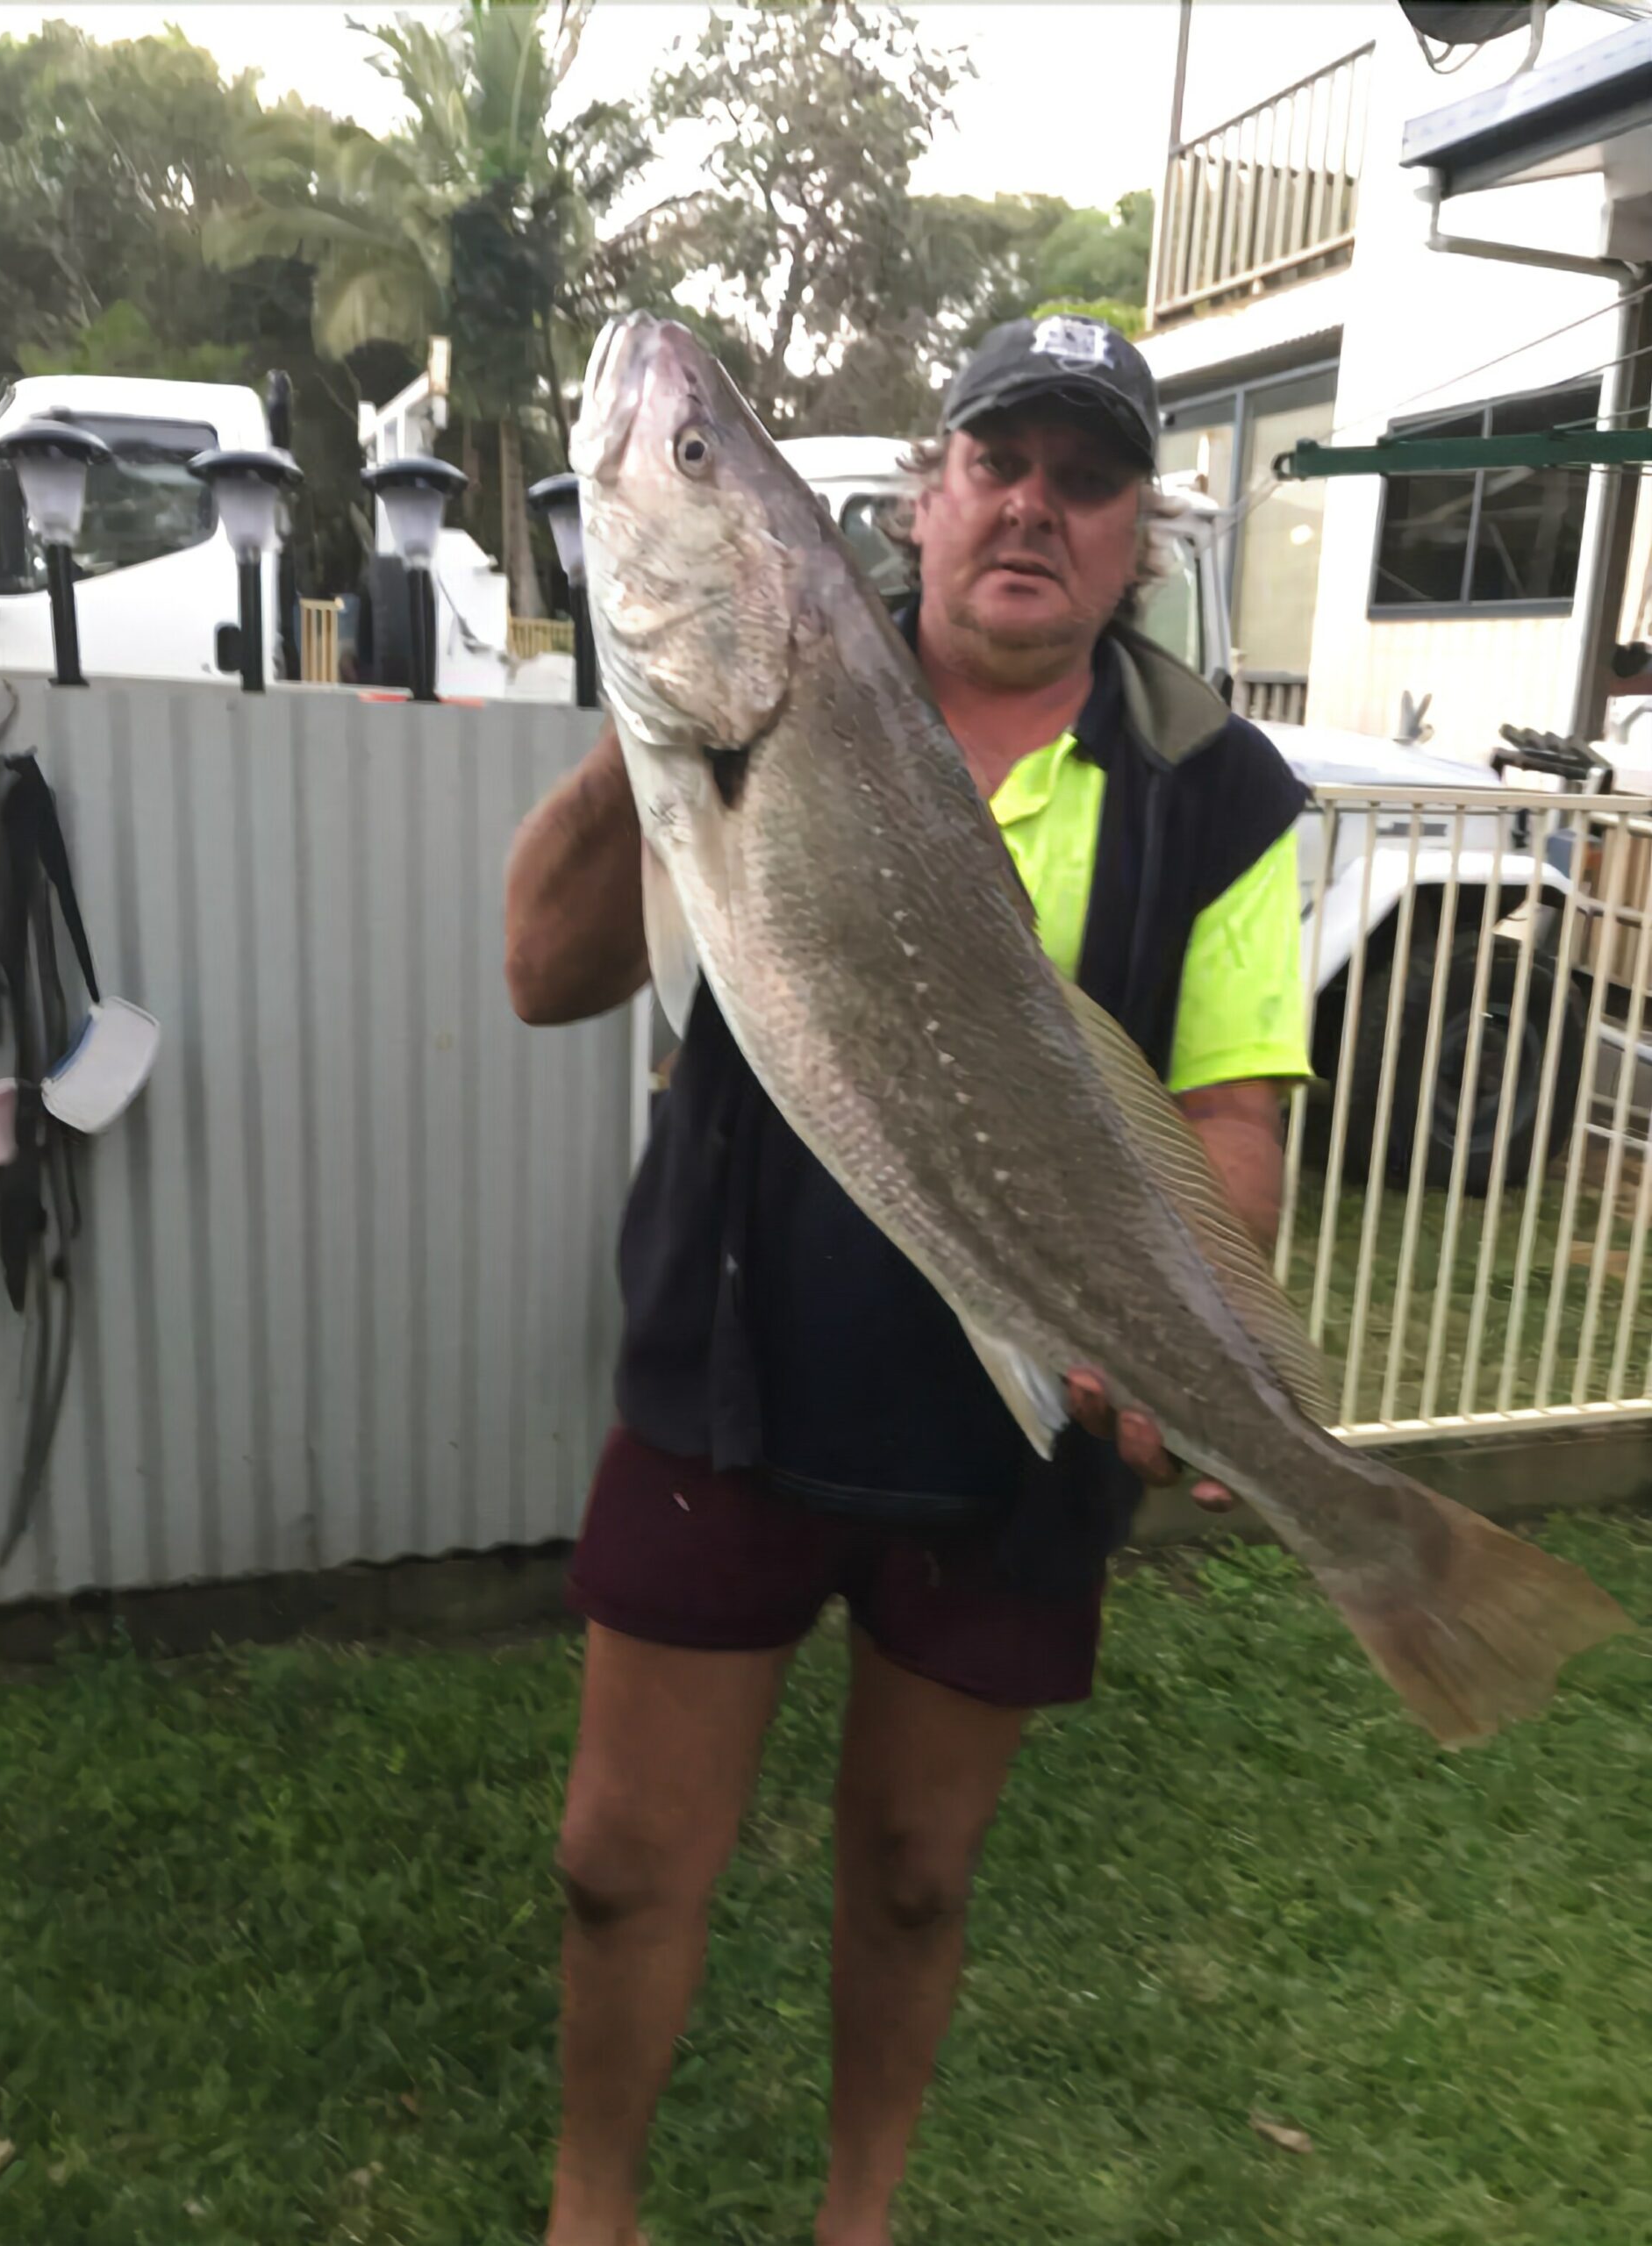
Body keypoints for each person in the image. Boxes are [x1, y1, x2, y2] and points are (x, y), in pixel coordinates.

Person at [504, 311, 1312, 2246]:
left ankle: (855, 2221)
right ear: (927, 492)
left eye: (1088, 471)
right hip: (730, 1377)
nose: (1035, 500)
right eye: (999, 455)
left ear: (1136, 527)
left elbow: (1229, 1115)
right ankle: (587, 2216)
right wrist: (662, 716)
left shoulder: (1217, 790)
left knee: (916, 1874)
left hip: (1009, 1430)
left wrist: (1188, 1351)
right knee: (618, 1862)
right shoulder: (772, 676)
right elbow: (543, 971)